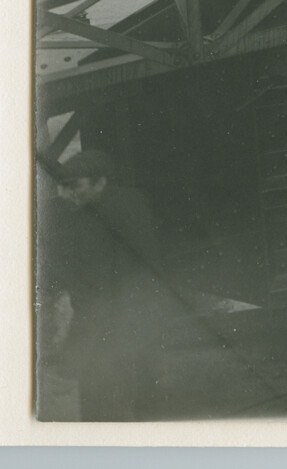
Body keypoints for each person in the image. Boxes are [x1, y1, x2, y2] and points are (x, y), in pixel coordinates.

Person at [39, 150, 169, 421]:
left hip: (116, 322)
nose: (66, 194)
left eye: (75, 186)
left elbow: (98, 288)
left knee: (108, 400)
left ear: (100, 182)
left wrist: (72, 352)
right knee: (134, 398)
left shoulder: (103, 216)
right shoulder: (126, 203)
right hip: (136, 316)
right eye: (63, 187)